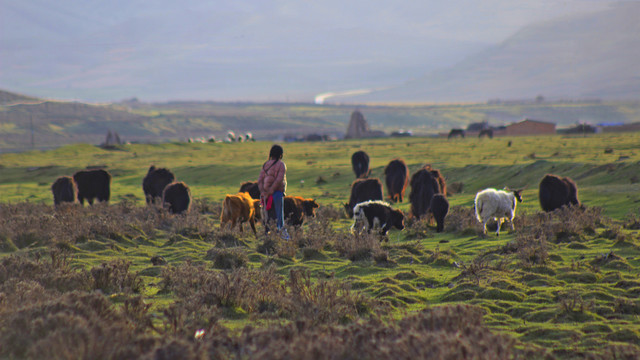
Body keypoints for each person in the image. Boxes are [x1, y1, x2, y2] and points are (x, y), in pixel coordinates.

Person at [257, 144, 289, 239]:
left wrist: (263, 192)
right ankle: (282, 237)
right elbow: (279, 180)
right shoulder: (281, 165)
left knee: (268, 216)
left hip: (266, 195)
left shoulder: (266, 164)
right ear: (280, 154)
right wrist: (271, 191)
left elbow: (260, 180)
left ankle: (268, 235)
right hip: (277, 194)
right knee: (279, 216)